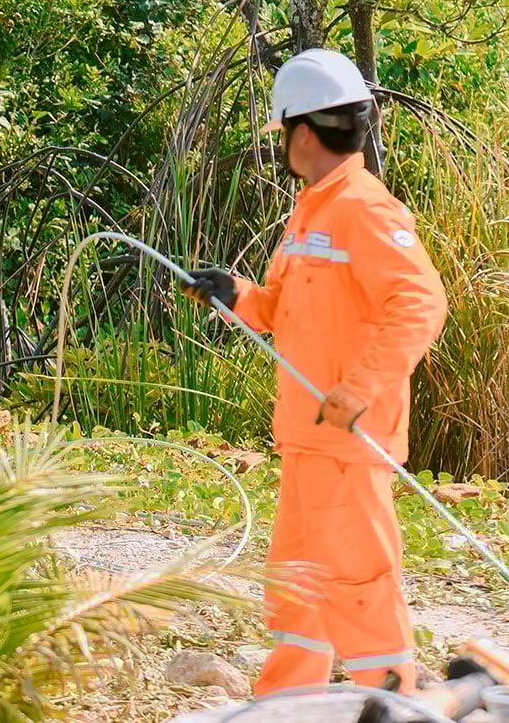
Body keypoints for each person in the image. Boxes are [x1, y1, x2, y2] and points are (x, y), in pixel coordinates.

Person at [179, 48, 448, 696]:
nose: (281, 147)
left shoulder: (363, 206)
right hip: (305, 441)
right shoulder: (312, 209)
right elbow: (284, 309)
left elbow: (421, 303)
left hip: (350, 444)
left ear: (302, 132)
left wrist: (358, 390)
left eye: (281, 135)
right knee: (296, 588)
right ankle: (286, 706)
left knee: (361, 587)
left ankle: (393, 707)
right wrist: (234, 294)